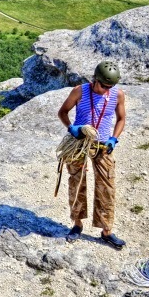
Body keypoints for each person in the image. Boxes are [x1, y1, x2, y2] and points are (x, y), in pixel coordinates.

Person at [57, 61, 127, 249]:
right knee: (77, 182)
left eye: (110, 86)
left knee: (107, 185)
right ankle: (77, 224)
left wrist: (114, 138)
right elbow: (62, 112)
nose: (106, 90)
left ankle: (106, 231)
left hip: (103, 144)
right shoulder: (80, 91)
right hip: (79, 143)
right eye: (104, 85)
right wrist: (72, 128)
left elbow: (121, 118)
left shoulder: (117, 94)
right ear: (95, 79)